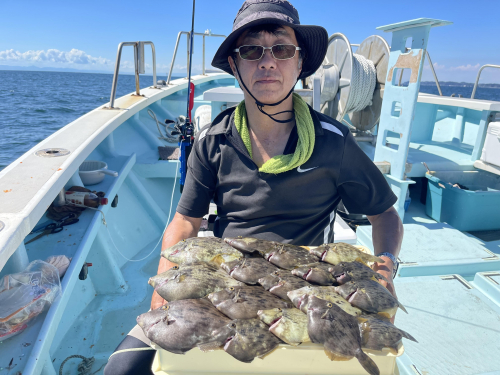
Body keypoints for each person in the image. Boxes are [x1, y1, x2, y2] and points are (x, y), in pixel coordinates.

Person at [104, 0, 403, 374]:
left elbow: (384, 215)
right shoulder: (213, 141)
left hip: (312, 291)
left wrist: (385, 267)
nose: (267, 61)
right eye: (251, 50)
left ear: (299, 62)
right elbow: (185, 222)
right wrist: (163, 284)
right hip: (224, 284)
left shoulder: (335, 143)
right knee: (123, 367)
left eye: (281, 49)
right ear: (235, 64)